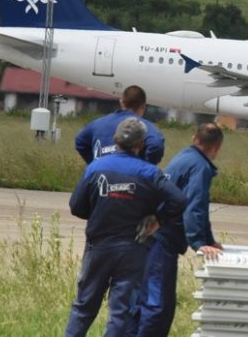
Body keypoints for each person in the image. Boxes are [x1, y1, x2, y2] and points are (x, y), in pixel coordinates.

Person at [65, 117, 187, 337]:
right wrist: (158, 218)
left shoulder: (95, 168)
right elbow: (178, 199)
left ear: (115, 139)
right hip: (133, 249)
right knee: (120, 312)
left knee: (84, 307)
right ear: (141, 145)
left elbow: (76, 207)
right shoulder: (149, 172)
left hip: (98, 247)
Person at [137, 123, 225, 337]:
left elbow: (200, 209)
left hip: (154, 236)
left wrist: (209, 239)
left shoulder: (185, 157)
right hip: (163, 239)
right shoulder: (200, 167)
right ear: (216, 148)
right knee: (157, 306)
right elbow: (194, 206)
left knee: (150, 301)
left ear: (195, 138)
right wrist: (198, 243)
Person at [75, 85, 165, 165]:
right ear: (143, 106)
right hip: (131, 180)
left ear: (121, 102)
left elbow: (80, 140)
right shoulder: (144, 126)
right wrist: (145, 167)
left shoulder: (97, 123)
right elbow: (156, 144)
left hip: (101, 179)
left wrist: (95, 163)